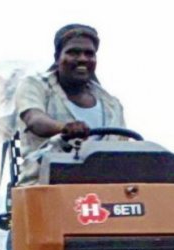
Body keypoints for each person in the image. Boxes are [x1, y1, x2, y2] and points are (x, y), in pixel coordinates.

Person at [12, 23, 127, 185]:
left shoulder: (112, 105)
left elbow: (124, 148)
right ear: (57, 57)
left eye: (89, 54)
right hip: (46, 188)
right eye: (73, 53)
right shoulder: (36, 86)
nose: (82, 59)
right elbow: (34, 120)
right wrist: (64, 128)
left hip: (103, 192)